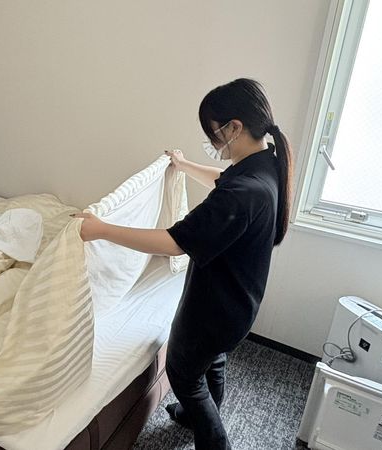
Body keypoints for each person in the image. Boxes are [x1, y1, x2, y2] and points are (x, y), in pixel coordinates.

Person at [74, 78, 292, 449]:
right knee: (214, 360)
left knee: (184, 374)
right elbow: (223, 181)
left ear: (234, 127)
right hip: (239, 303)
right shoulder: (265, 165)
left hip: (214, 311)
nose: (213, 142)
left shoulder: (243, 194)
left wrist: (102, 230)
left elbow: (175, 243)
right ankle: (197, 414)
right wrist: (185, 165)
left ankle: (213, 438)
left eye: (214, 133)